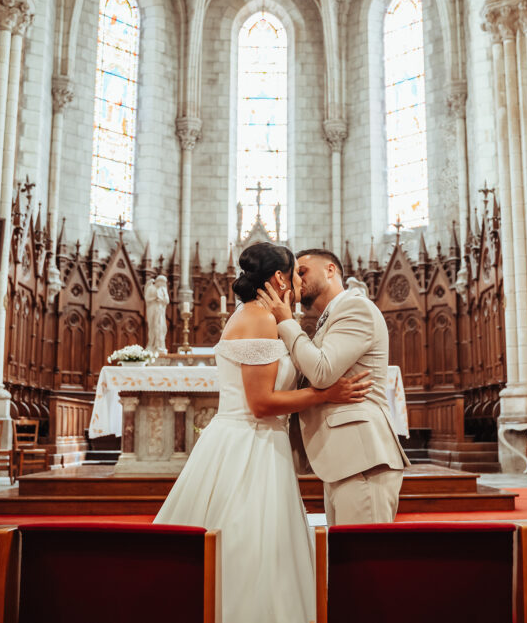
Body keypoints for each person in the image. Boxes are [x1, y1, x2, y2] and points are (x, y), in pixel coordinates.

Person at [154, 242, 371, 622]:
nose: (301, 281)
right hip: (248, 444)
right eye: (296, 273)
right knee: (248, 542)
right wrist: (326, 394)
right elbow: (261, 403)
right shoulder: (257, 319)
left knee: (262, 545)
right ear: (278, 277)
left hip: (258, 440)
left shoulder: (259, 315)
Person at [258, 248, 410, 525]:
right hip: (345, 458)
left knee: (364, 559)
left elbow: (321, 371)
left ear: (330, 270)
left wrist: (287, 322)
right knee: (345, 559)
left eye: (302, 272)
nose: (297, 280)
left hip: (363, 457)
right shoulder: (329, 318)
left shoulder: (355, 307)